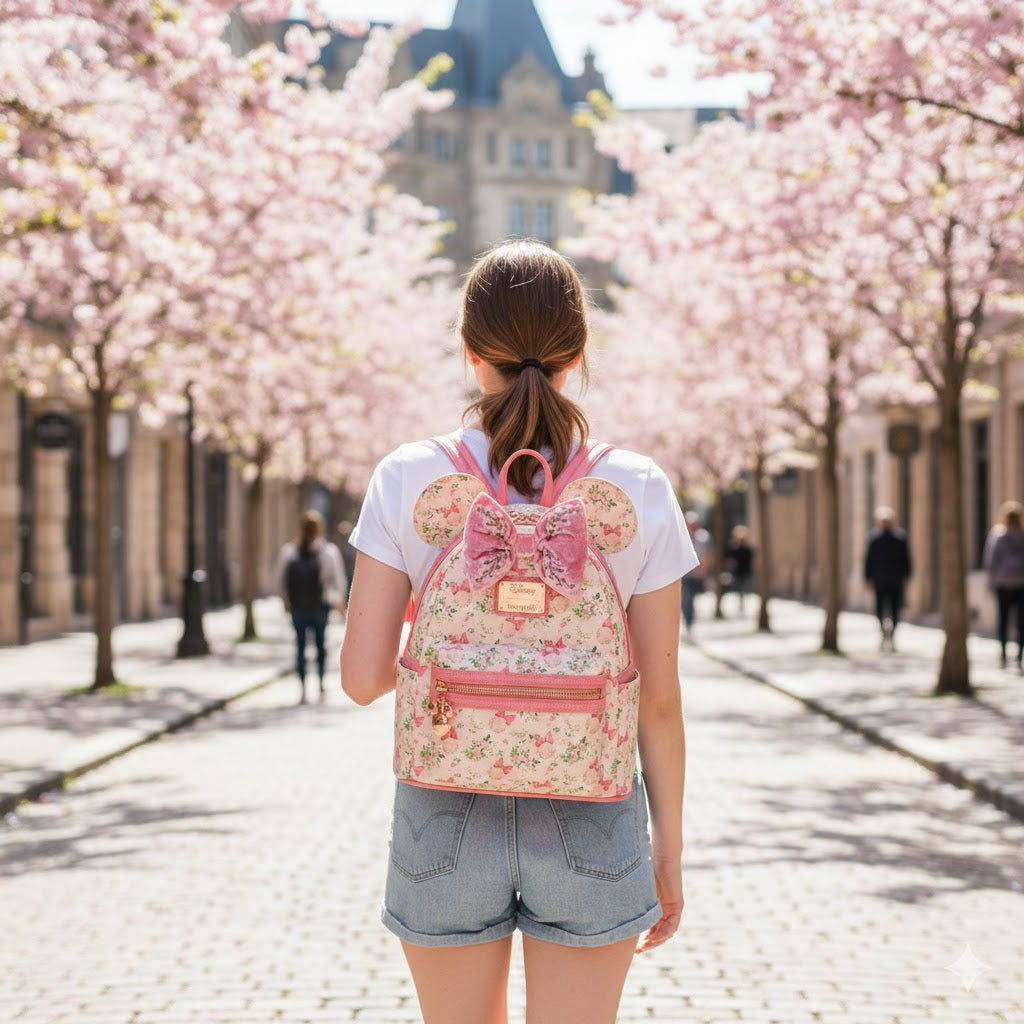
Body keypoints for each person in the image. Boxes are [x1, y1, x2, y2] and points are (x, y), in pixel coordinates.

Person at [340, 240, 697, 1024]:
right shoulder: (634, 486)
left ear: (472, 353)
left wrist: (460, 653)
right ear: (577, 354)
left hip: (444, 800)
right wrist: (664, 850)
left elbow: (363, 679)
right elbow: (659, 702)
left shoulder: (408, 476)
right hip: (593, 807)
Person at [275, 509, 347, 701]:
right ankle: (321, 685)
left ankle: (303, 689)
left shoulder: (289, 552)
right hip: (320, 606)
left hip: (298, 607)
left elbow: (280, 580)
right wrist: (340, 604)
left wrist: (286, 602)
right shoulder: (328, 552)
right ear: (319, 529)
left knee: (300, 646)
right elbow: (338, 581)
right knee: (320, 645)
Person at [863, 506, 912, 651]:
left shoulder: (900, 538)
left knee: (895, 609)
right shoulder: (874, 538)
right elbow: (868, 560)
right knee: (880, 609)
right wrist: (867, 578)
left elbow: (906, 559)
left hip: (895, 580)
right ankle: (884, 634)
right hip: (880, 580)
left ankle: (891, 635)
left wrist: (907, 577)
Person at [983, 501, 1024, 670]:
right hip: (1022, 583)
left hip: (1003, 583)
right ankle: (1020, 657)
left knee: (1003, 620)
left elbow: (990, 560)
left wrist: (990, 582)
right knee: (1021, 623)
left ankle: (1003, 656)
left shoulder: (998, 535)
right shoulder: (1022, 535)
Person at [680, 511, 712, 635]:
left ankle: (690, 620)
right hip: (684, 574)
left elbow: (708, 555)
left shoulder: (703, 537)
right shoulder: (681, 536)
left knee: (692, 598)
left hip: (697, 574)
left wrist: (705, 571)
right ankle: (688, 621)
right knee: (686, 598)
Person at [723, 524, 755, 614]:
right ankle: (740, 605)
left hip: (745, 571)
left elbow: (751, 559)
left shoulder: (747, 548)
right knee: (738, 589)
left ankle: (742, 605)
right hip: (737, 572)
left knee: (744, 589)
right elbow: (729, 559)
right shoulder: (733, 548)